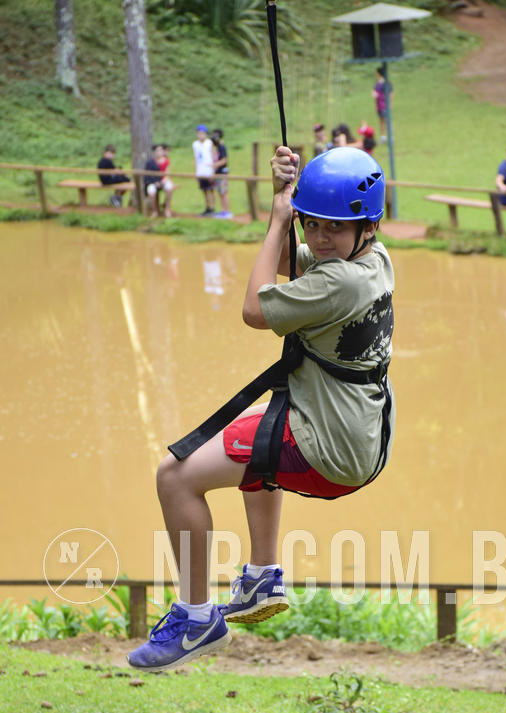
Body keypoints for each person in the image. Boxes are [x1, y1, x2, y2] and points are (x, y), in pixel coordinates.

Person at [127, 146, 395, 672]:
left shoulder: (338, 281)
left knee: (175, 477)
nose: (319, 238)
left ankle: (196, 616)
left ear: (367, 224)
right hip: (358, 436)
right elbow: (294, 266)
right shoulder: (374, 261)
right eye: (311, 223)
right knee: (253, 435)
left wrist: (279, 219)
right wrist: (284, 200)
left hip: (327, 450)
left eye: (333, 228)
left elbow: (255, 307)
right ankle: (261, 577)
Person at [144, 144, 174, 218]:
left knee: (169, 187)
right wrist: (155, 182)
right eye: (158, 150)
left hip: (163, 181)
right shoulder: (150, 162)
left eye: (161, 150)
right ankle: (155, 211)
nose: (159, 152)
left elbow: (167, 174)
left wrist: (163, 181)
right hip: (153, 182)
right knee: (151, 192)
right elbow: (148, 176)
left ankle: (167, 209)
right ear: (154, 152)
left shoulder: (166, 161)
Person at [193, 124, 216, 215]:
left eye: (202, 133)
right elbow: (195, 158)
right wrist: (196, 172)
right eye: (199, 133)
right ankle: (207, 207)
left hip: (209, 170)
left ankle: (213, 207)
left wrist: (213, 170)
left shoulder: (209, 143)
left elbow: (213, 156)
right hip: (200, 170)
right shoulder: (195, 144)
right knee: (204, 190)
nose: (200, 135)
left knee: (211, 189)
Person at [211, 129, 233, 219]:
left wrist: (213, 165)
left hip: (222, 173)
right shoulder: (218, 146)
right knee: (220, 192)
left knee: (224, 192)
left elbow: (224, 160)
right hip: (218, 172)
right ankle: (223, 210)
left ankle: (227, 212)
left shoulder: (222, 146)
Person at [372, 67, 393, 142]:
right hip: (380, 106)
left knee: (386, 121)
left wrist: (389, 104)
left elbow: (391, 94)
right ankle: (384, 137)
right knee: (382, 121)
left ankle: (389, 137)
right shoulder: (378, 84)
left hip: (384, 105)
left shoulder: (384, 84)